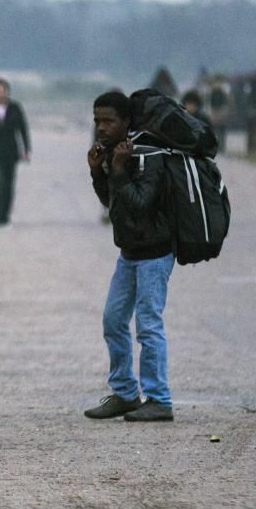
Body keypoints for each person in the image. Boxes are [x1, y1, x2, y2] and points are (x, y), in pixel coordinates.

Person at [85, 91, 176, 422]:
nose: (101, 127)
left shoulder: (148, 155)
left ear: (126, 122)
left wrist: (120, 169)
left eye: (109, 121)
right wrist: (99, 172)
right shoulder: (115, 153)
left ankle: (159, 398)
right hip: (129, 253)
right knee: (113, 320)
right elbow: (113, 204)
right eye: (97, 121)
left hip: (155, 253)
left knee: (148, 325)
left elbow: (140, 204)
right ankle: (125, 393)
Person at [0, 78, 30, 225]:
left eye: (3, 91)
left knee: (9, 183)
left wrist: (26, 149)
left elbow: (23, 128)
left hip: (11, 151)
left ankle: (6, 214)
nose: (1, 94)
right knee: (0, 183)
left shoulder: (15, 107)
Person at [208, 81, 231, 153]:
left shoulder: (223, 94)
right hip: (214, 113)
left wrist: (222, 111)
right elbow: (210, 104)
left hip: (221, 112)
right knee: (215, 131)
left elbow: (225, 104)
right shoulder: (212, 94)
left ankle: (222, 147)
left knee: (222, 131)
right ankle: (217, 147)